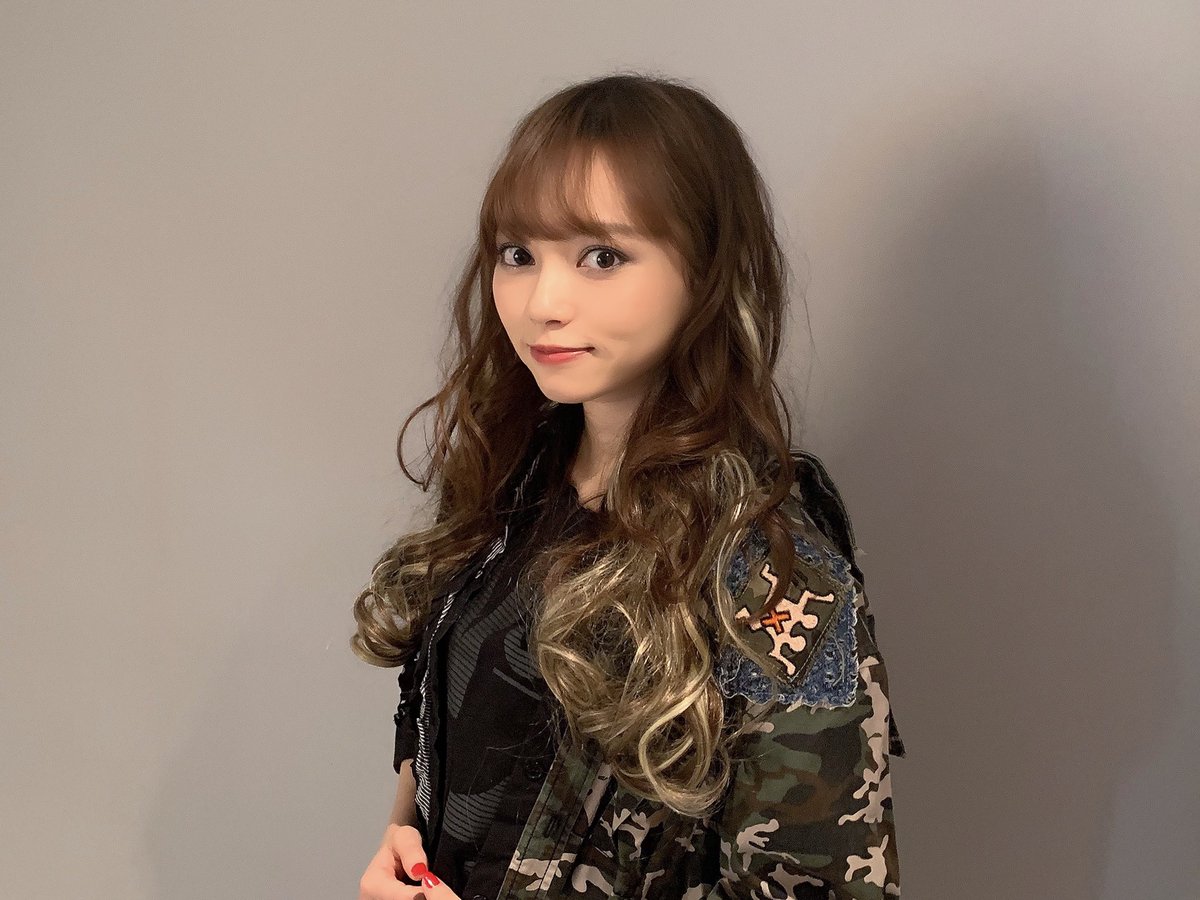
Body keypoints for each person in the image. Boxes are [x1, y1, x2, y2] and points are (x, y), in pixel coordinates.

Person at [352, 71, 906, 900]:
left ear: (706, 271)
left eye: (602, 257)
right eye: (518, 254)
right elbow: (445, 719)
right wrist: (399, 845)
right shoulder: (512, 487)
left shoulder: (771, 570)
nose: (543, 302)